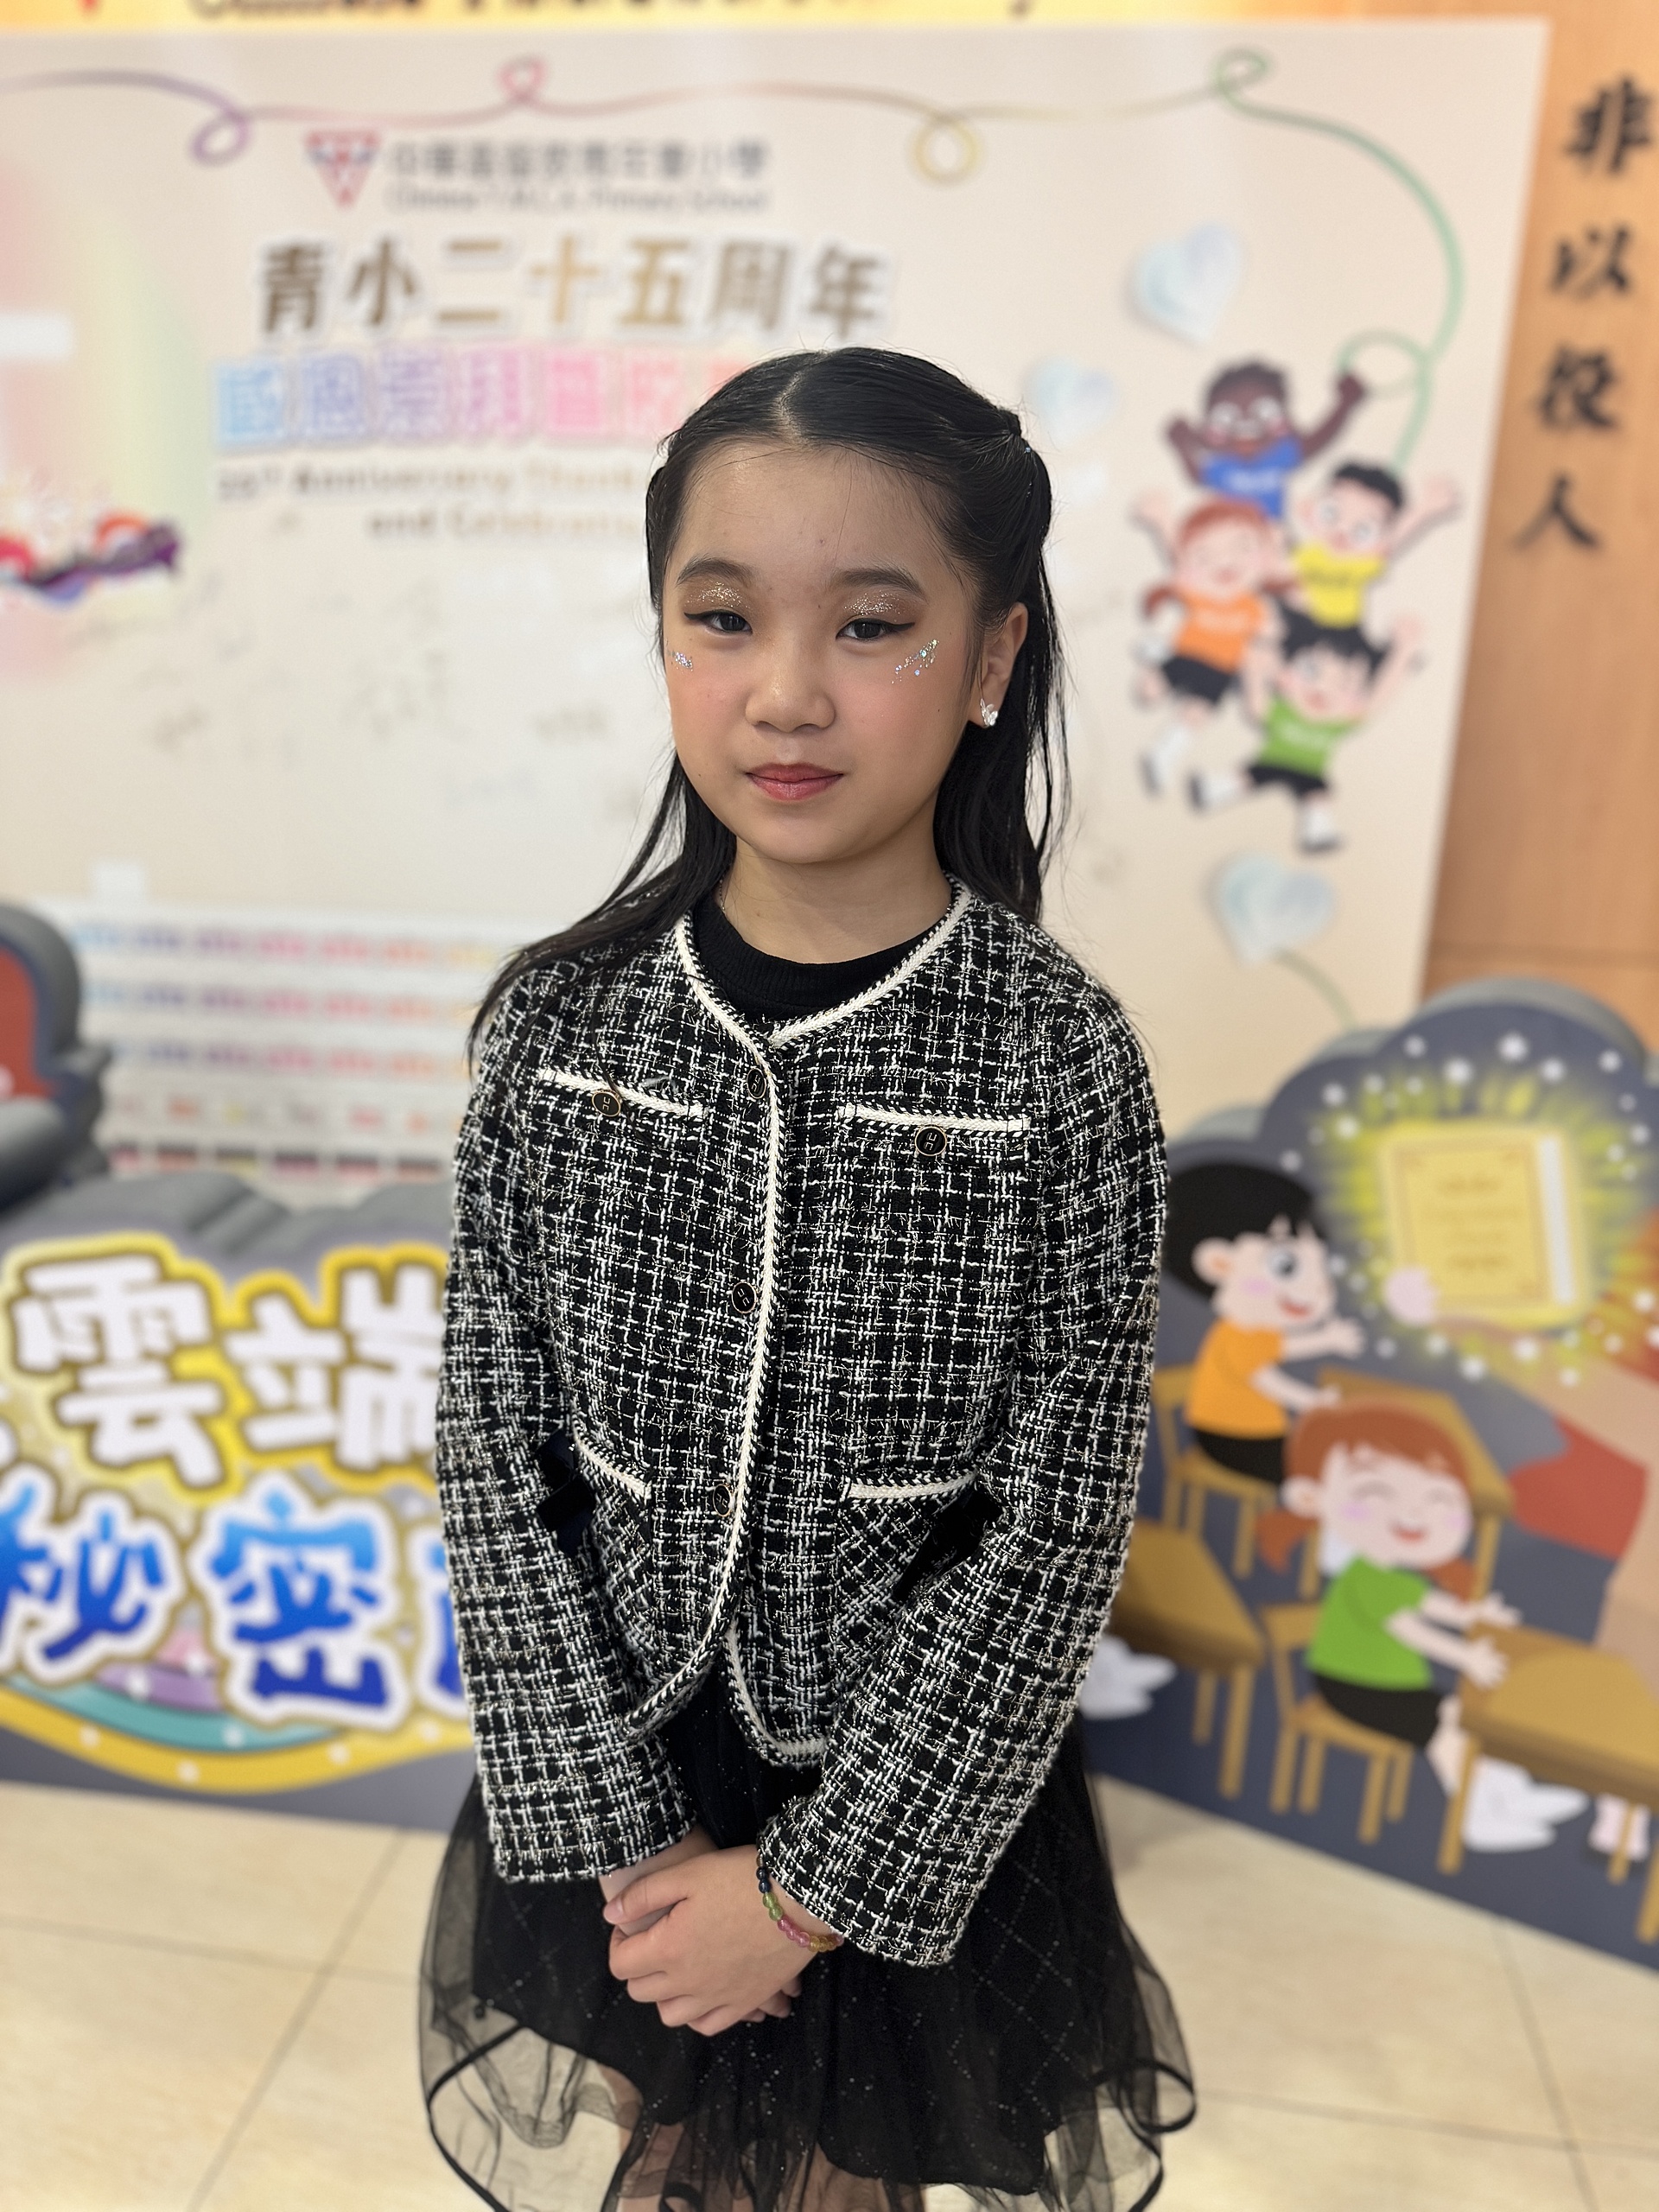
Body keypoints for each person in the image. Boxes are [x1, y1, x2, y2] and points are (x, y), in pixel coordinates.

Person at [423, 347, 1192, 2212]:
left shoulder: (1060, 1058)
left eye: (870, 623)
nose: (786, 690)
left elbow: (1059, 1520)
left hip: (912, 1796)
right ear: (664, 635)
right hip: (615, 1769)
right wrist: (620, 1840)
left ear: (993, 655)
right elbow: (489, 1446)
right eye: (723, 617)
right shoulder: (560, 1024)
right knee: (665, 2159)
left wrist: (806, 1894)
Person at [1281, 1403, 1589, 1851]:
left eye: (1436, 1498)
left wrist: (1474, 1615)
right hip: (1352, 1687)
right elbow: (1409, 1628)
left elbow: (1428, 1605)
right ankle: (1475, 1815)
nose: (1412, 1514)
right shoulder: (1365, 1576)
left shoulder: (1389, 1573)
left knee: (1462, 1717)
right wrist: (1465, 1656)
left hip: (1389, 1685)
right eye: (1377, 1493)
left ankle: (1509, 1794)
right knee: (1447, 1729)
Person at [1164, 1160, 1361, 1488]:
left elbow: (1282, 1348)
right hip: (1229, 1435)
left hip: (1257, 1431)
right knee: (1314, 1469)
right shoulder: (1237, 1334)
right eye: (1286, 1265)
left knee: (1325, 1459)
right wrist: (1311, 1401)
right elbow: (1267, 1379)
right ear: (1219, 1263)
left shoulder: (1254, 1330)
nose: (1319, 1287)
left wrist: (1327, 1339)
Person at [1191, 609, 1424, 855]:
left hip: (1309, 771)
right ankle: (1213, 790)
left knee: (1318, 795)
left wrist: (1403, 652)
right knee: (1247, 777)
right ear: (1284, 674)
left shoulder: (1337, 723)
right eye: (1311, 671)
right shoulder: (1284, 710)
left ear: (1357, 699)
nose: (1322, 688)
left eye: (1344, 683)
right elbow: (1257, 709)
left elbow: (1377, 699)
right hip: (1272, 760)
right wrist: (1253, 671)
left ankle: (1318, 831)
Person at [1129, 493, 1284, 797]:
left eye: (1242, 548)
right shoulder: (1198, 593)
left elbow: (1268, 640)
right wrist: (1163, 521)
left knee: (1197, 713)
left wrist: (1267, 666)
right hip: (1188, 654)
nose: (1225, 563)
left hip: (1221, 668)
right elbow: (1178, 554)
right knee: (1151, 690)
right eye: (1205, 555)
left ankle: (1164, 754)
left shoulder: (1253, 607)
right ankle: (1156, 655)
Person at [1164, 358, 1366, 523]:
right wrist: (1181, 445)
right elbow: (1197, 476)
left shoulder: (1279, 457)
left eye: (1265, 413)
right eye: (1226, 417)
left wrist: (1345, 404)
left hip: (1271, 535)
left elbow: (1318, 439)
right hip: (1229, 535)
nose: (1246, 424)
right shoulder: (1222, 466)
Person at [1286, 461, 1460, 631]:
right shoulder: (1305, 553)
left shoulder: (1359, 565)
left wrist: (1424, 508)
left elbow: (1391, 541)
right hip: (1295, 622)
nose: (1342, 532)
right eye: (1331, 513)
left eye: (1363, 530)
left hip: (1338, 631)